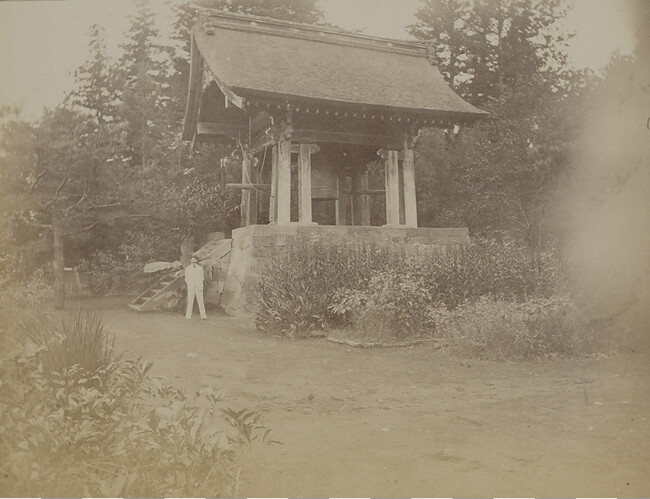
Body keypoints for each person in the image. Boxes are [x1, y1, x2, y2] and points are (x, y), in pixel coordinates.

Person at [185, 255, 207, 320]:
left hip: (198, 286)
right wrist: (189, 284)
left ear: (196, 260)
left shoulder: (200, 268)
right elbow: (186, 278)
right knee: (190, 301)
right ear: (190, 260)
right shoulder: (188, 268)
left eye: (194, 260)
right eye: (192, 260)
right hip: (191, 286)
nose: (193, 261)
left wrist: (199, 283)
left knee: (200, 301)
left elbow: (202, 277)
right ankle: (188, 316)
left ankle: (203, 316)